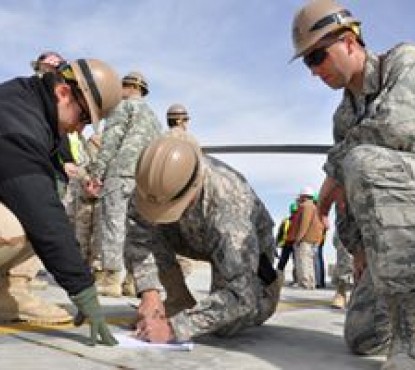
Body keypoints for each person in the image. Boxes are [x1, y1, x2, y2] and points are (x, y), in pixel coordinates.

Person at [291, 0, 415, 367]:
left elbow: (398, 127)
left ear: (349, 41)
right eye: (307, 63)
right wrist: (360, 248)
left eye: (318, 57)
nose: (314, 72)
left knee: (360, 161)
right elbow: (347, 195)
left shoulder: (403, 62)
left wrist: (330, 176)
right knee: (362, 336)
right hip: (396, 235)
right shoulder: (344, 116)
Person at [0, 57, 122, 345]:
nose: (81, 130)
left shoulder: (26, 99)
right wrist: (83, 290)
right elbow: (43, 213)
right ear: (64, 93)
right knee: (25, 221)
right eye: (83, 118)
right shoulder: (18, 125)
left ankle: (5, 294)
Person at [124, 132, 282, 343]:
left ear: (193, 188)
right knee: (149, 229)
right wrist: (149, 293)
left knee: (227, 325)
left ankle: (268, 292)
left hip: (239, 249)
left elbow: (240, 295)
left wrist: (173, 329)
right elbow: (138, 233)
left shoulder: (229, 208)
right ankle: (178, 298)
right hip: (190, 232)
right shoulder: (153, 184)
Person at [86, 70, 162, 297]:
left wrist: (97, 171)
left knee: (113, 226)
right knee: (137, 231)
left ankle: (110, 280)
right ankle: (132, 281)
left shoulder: (123, 108)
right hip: (143, 180)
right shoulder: (153, 117)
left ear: (128, 88)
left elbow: (110, 142)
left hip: (121, 174)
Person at [293, 187, 324, 289]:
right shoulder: (316, 207)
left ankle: (304, 283)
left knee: (303, 261)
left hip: (305, 239)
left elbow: (304, 223)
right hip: (314, 239)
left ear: (304, 196)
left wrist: (298, 238)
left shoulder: (305, 206)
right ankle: (311, 283)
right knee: (310, 262)